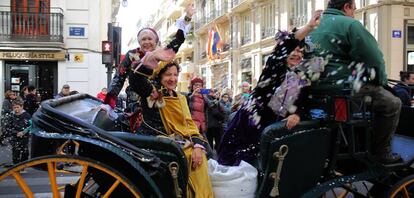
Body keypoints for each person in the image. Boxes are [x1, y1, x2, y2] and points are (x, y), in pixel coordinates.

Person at [217, 11, 322, 166]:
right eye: (294, 50)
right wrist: (309, 27)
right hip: (248, 129)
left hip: (274, 133)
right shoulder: (274, 66)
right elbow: (284, 48)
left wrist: (297, 115)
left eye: (300, 51)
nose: (297, 54)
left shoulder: (300, 76)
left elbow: (303, 102)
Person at [309, 0, 401, 163]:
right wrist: (381, 81)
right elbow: (374, 59)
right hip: (344, 88)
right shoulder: (350, 24)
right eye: (354, 10)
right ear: (346, 7)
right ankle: (381, 152)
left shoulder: (315, 26)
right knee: (392, 103)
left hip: (317, 90)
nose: (354, 13)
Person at [131, 61, 213, 197]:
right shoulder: (151, 92)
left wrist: (198, 145)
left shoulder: (181, 97)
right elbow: (135, 79)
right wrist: (154, 57)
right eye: (168, 75)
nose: (172, 79)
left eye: (175, 75)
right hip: (155, 141)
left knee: (199, 155)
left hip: (177, 141)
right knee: (186, 154)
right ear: (159, 76)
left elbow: (189, 124)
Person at [104, 4, 194, 110]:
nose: (147, 42)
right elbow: (119, 78)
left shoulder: (162, 54)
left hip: (159, 102)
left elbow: (178, 40)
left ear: (156, 41)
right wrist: (108, 104)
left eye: (150, 39)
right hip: (135, 104)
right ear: (139, 42)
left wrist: (187, 18)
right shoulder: (131, 55)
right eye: (143, 39)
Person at [4, 100, 31, 165]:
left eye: (18, 107)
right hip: (14, 136)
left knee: (25, 151)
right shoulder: (11, 116)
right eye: (14, 107)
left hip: (24, 136)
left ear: (22, 107)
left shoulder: (27, 115)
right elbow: (7, 127)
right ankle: (16, 166)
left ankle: (23, 164)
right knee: (16, 151)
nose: (16, 109)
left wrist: (24, 132)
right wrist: (15, 132)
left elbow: (31, 125)